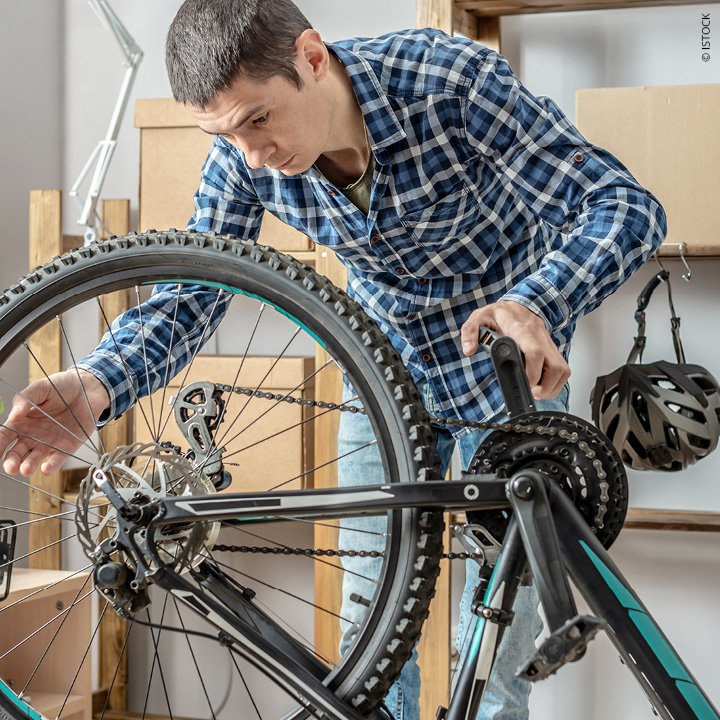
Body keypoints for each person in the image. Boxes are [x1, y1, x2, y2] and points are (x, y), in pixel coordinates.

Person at [0, 1, 667, 718]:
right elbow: (193, 290)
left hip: (503, 367)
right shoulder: (242, 153)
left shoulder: (448, 81)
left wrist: (536, 301)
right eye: (225, 133)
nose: (253, 154)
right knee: (369, 630)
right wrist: (101, 381)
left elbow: (622, 205)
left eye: (259, 120)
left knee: (506, 648)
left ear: (313, 58)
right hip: (382, 371)